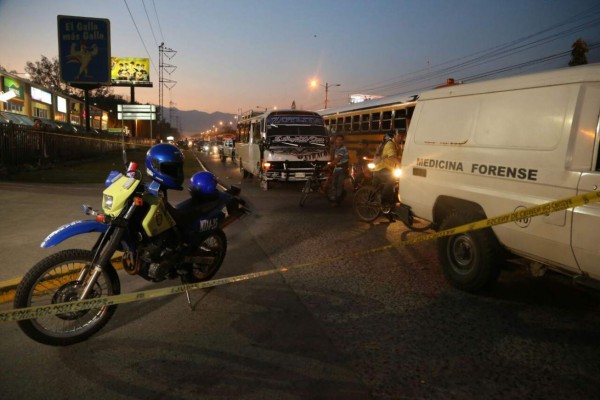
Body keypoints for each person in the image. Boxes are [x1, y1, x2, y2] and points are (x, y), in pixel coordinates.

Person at [372, 130, 404, 219]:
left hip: (389, 169)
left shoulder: (398, 146)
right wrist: (401, 166)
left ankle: (388, 208)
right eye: (399, 136)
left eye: (402, 136)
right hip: (381, 169)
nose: (401, 138)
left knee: (393, 186)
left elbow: (400, 157)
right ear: (395, 135)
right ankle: (383, 201)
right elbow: (393, 157)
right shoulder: (390, 144)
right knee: (391, 180)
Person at [330, 134, 349, 206]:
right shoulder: (337, 148)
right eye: (338, 139)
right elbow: (333, 158)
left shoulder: (343, 149)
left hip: (342, 169)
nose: (339, 141)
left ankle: (337, 201)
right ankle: (342, 194)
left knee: (339, 185)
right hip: (337, 168)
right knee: (334, 183)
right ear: (335, 140)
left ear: (343, 141)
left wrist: (329, 165)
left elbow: (337, 159)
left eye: (341, 140)